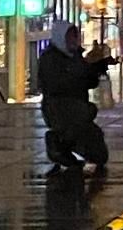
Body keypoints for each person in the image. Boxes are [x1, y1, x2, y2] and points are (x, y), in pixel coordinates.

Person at [36, 22, 114, 175]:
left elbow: (89, 82)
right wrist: (82, 76)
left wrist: (97, 68)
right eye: (70, 37)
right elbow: (57, 85)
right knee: (76, 127)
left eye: (75, 36)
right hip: (59, 108)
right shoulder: (50, 59)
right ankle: (57, 143)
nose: (74, 40)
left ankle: (65, 146)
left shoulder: (76, 56)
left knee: (99, 154)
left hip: (79, 107)